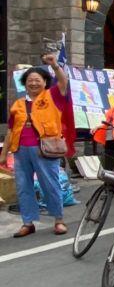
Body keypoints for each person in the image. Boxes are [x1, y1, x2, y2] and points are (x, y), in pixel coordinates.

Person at [0, 55, 70, 237]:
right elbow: (10, 131)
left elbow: (63, 82)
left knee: (50, 184)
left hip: (45, 149)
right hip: (20, 150)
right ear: (24, 83)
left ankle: (59, 220)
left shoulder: (53, 96)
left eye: (37, 80)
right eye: (29, 80)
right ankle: (28, 222)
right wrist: (3, 153)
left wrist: (54, 66)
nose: (33, 83)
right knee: (24, 187)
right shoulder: (17, 104)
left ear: (45, 82)